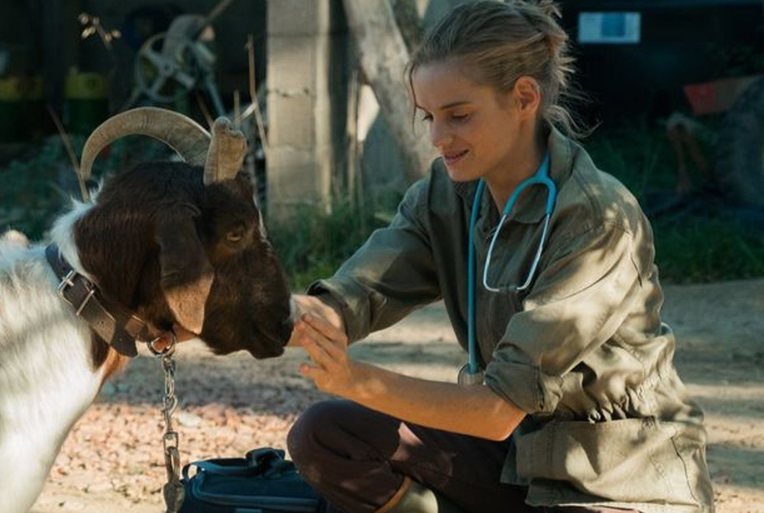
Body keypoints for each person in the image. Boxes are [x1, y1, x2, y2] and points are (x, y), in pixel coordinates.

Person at [283, 1, 713, 512]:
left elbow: (493, 411)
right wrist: (238, 312)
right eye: (430, 117)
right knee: (326, 435)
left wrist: (356, 380)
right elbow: (355, 295)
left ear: (524, 97)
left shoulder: (596, 220)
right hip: (514, 461)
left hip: (616, 479)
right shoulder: (447, 194)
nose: (439, 138)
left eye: (459, 116)